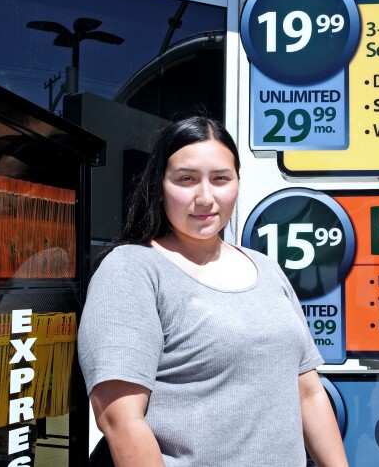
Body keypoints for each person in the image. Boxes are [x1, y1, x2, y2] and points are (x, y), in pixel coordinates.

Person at [77, 116, 348, 467]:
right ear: (159, 185)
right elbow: (120, 419)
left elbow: (308, 392)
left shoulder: (266, 269)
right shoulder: (132, 269)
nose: (205, 197)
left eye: (221, 178)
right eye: (186, 179)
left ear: (237, 182)